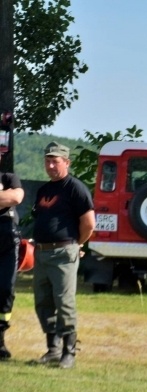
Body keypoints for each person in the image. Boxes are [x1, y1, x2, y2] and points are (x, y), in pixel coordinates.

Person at [31, 142, 95, 369]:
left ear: (67, 162)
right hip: (41, 253)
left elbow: (89, 223)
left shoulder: (75, 188)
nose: (50, 165)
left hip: (63, 252)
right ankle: (53, 350)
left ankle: (69, 352)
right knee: (43, 302)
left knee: (64, 302)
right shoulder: (44, 190)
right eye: (47, 160)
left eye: (55, 161)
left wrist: (76, 244)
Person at [0, 151, 25, 360]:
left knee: (6, 289)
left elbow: (16, 197)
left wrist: (8, 198)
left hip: (7, 241)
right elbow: (8, 198)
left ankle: (0, 340)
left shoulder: (9, 177)